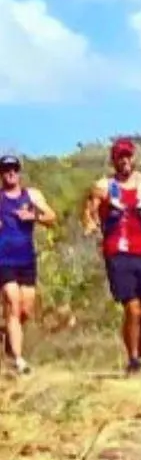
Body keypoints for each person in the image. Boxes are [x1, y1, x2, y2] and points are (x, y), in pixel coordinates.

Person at [82, 138, 141, 376]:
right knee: (132, 309)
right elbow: (90, 212)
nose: (125, 161)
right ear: (113, 160)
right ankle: (133, 359)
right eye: (120, 157)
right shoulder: (103, 186)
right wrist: (90, 224)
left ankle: (138, 345)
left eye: (128, 156)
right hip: (118, 252)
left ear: (134, 157)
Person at [1, 153, 56, 377]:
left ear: (19, 172)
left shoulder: (31, 195)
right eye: (6, 170)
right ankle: (19, 360)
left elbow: (51, 217)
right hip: (3, 259)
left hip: (26, 259)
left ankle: (8, 339)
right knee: (12, 302)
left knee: (25, 310)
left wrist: (34, 216)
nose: (11, 173)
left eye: (14, 169)